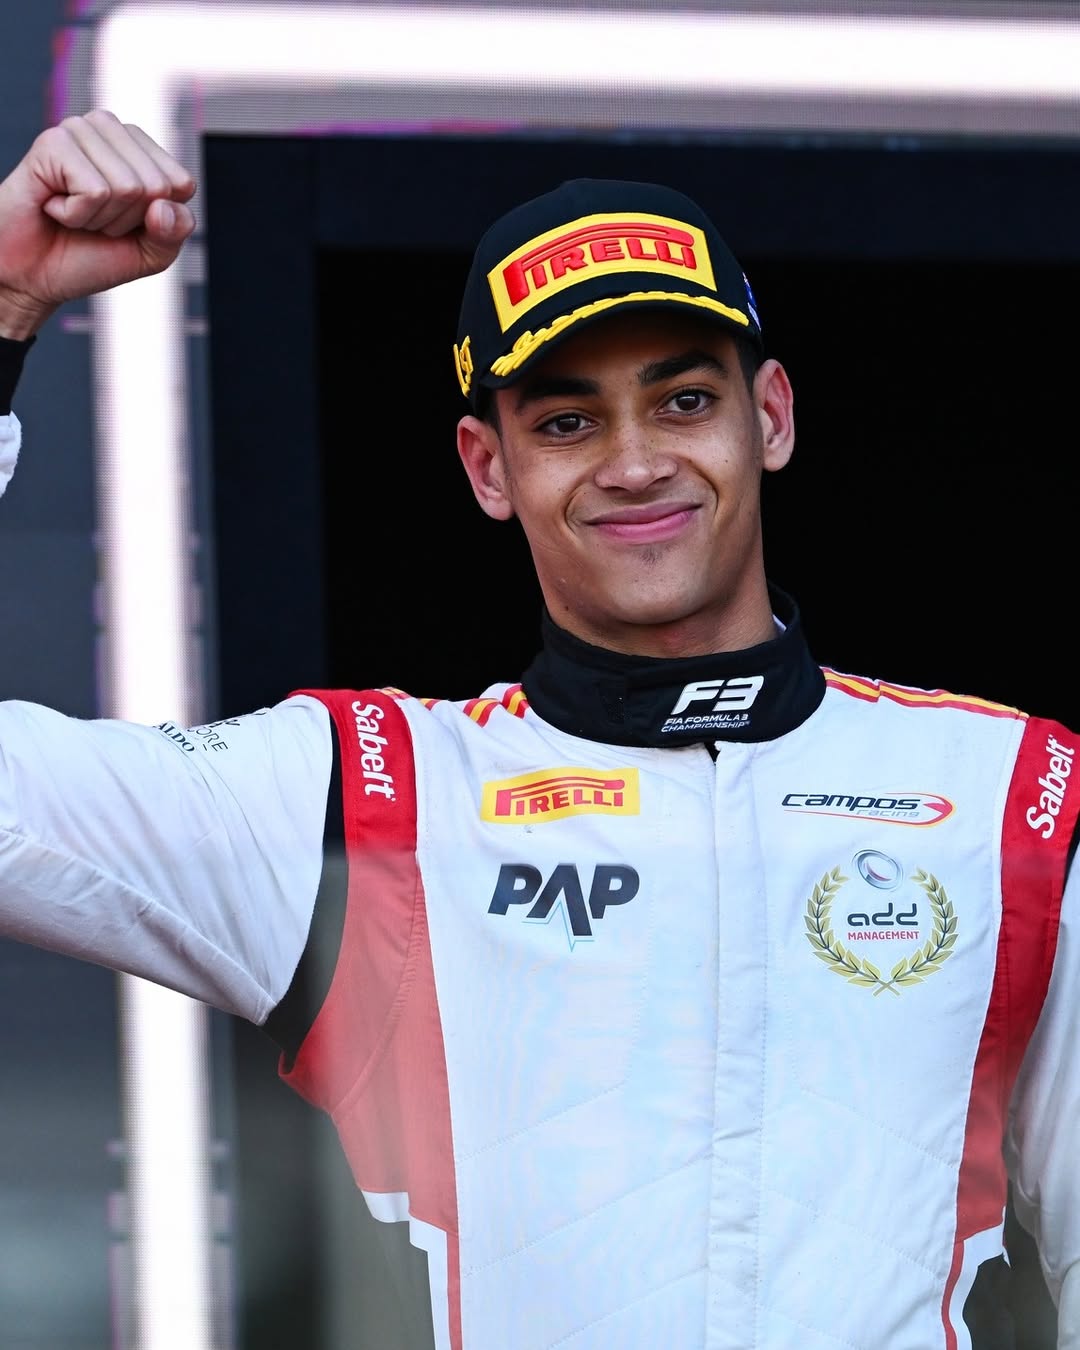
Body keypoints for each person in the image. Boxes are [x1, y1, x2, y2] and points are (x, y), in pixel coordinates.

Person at [0, 108, 1077, 1350]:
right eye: (566, 422)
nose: (633, 463)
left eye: (682, 401)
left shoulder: (1016, 798)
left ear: (769, 417)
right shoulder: (365, 797)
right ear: (486, 466)